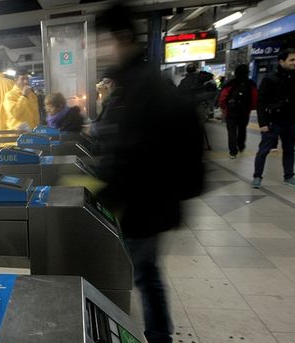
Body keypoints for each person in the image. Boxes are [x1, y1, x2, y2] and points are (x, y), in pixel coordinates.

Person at [94, 6, 203, 343]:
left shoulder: (141, 86)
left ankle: (158, 336)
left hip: (145, 202)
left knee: (146, 273)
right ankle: (158, 334)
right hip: (151, 200)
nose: (101, 50)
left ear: (123, 37)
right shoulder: (140, 80)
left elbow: (134, 151)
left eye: (103, 41)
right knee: (147, 272)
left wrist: (104, 195)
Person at [251, 48, 295, 189]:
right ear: (281, 61)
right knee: (264, 150)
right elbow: (261, 102)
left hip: (290, 121)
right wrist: (262, 122)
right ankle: (257, 177)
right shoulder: (270, 79)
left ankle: (288, 176)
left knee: (289, 149)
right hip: (272, 121)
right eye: (292, 60)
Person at [219, 64, 258, 159]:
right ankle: (241, 146)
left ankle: (233, 152)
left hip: (231, 112)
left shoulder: (230, 83)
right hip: (244, 112)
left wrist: (224, 107)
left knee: (231, 132)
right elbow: (255, 98)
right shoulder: (251, 84)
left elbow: (222, 98)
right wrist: (250, 108)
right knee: (242, 129)